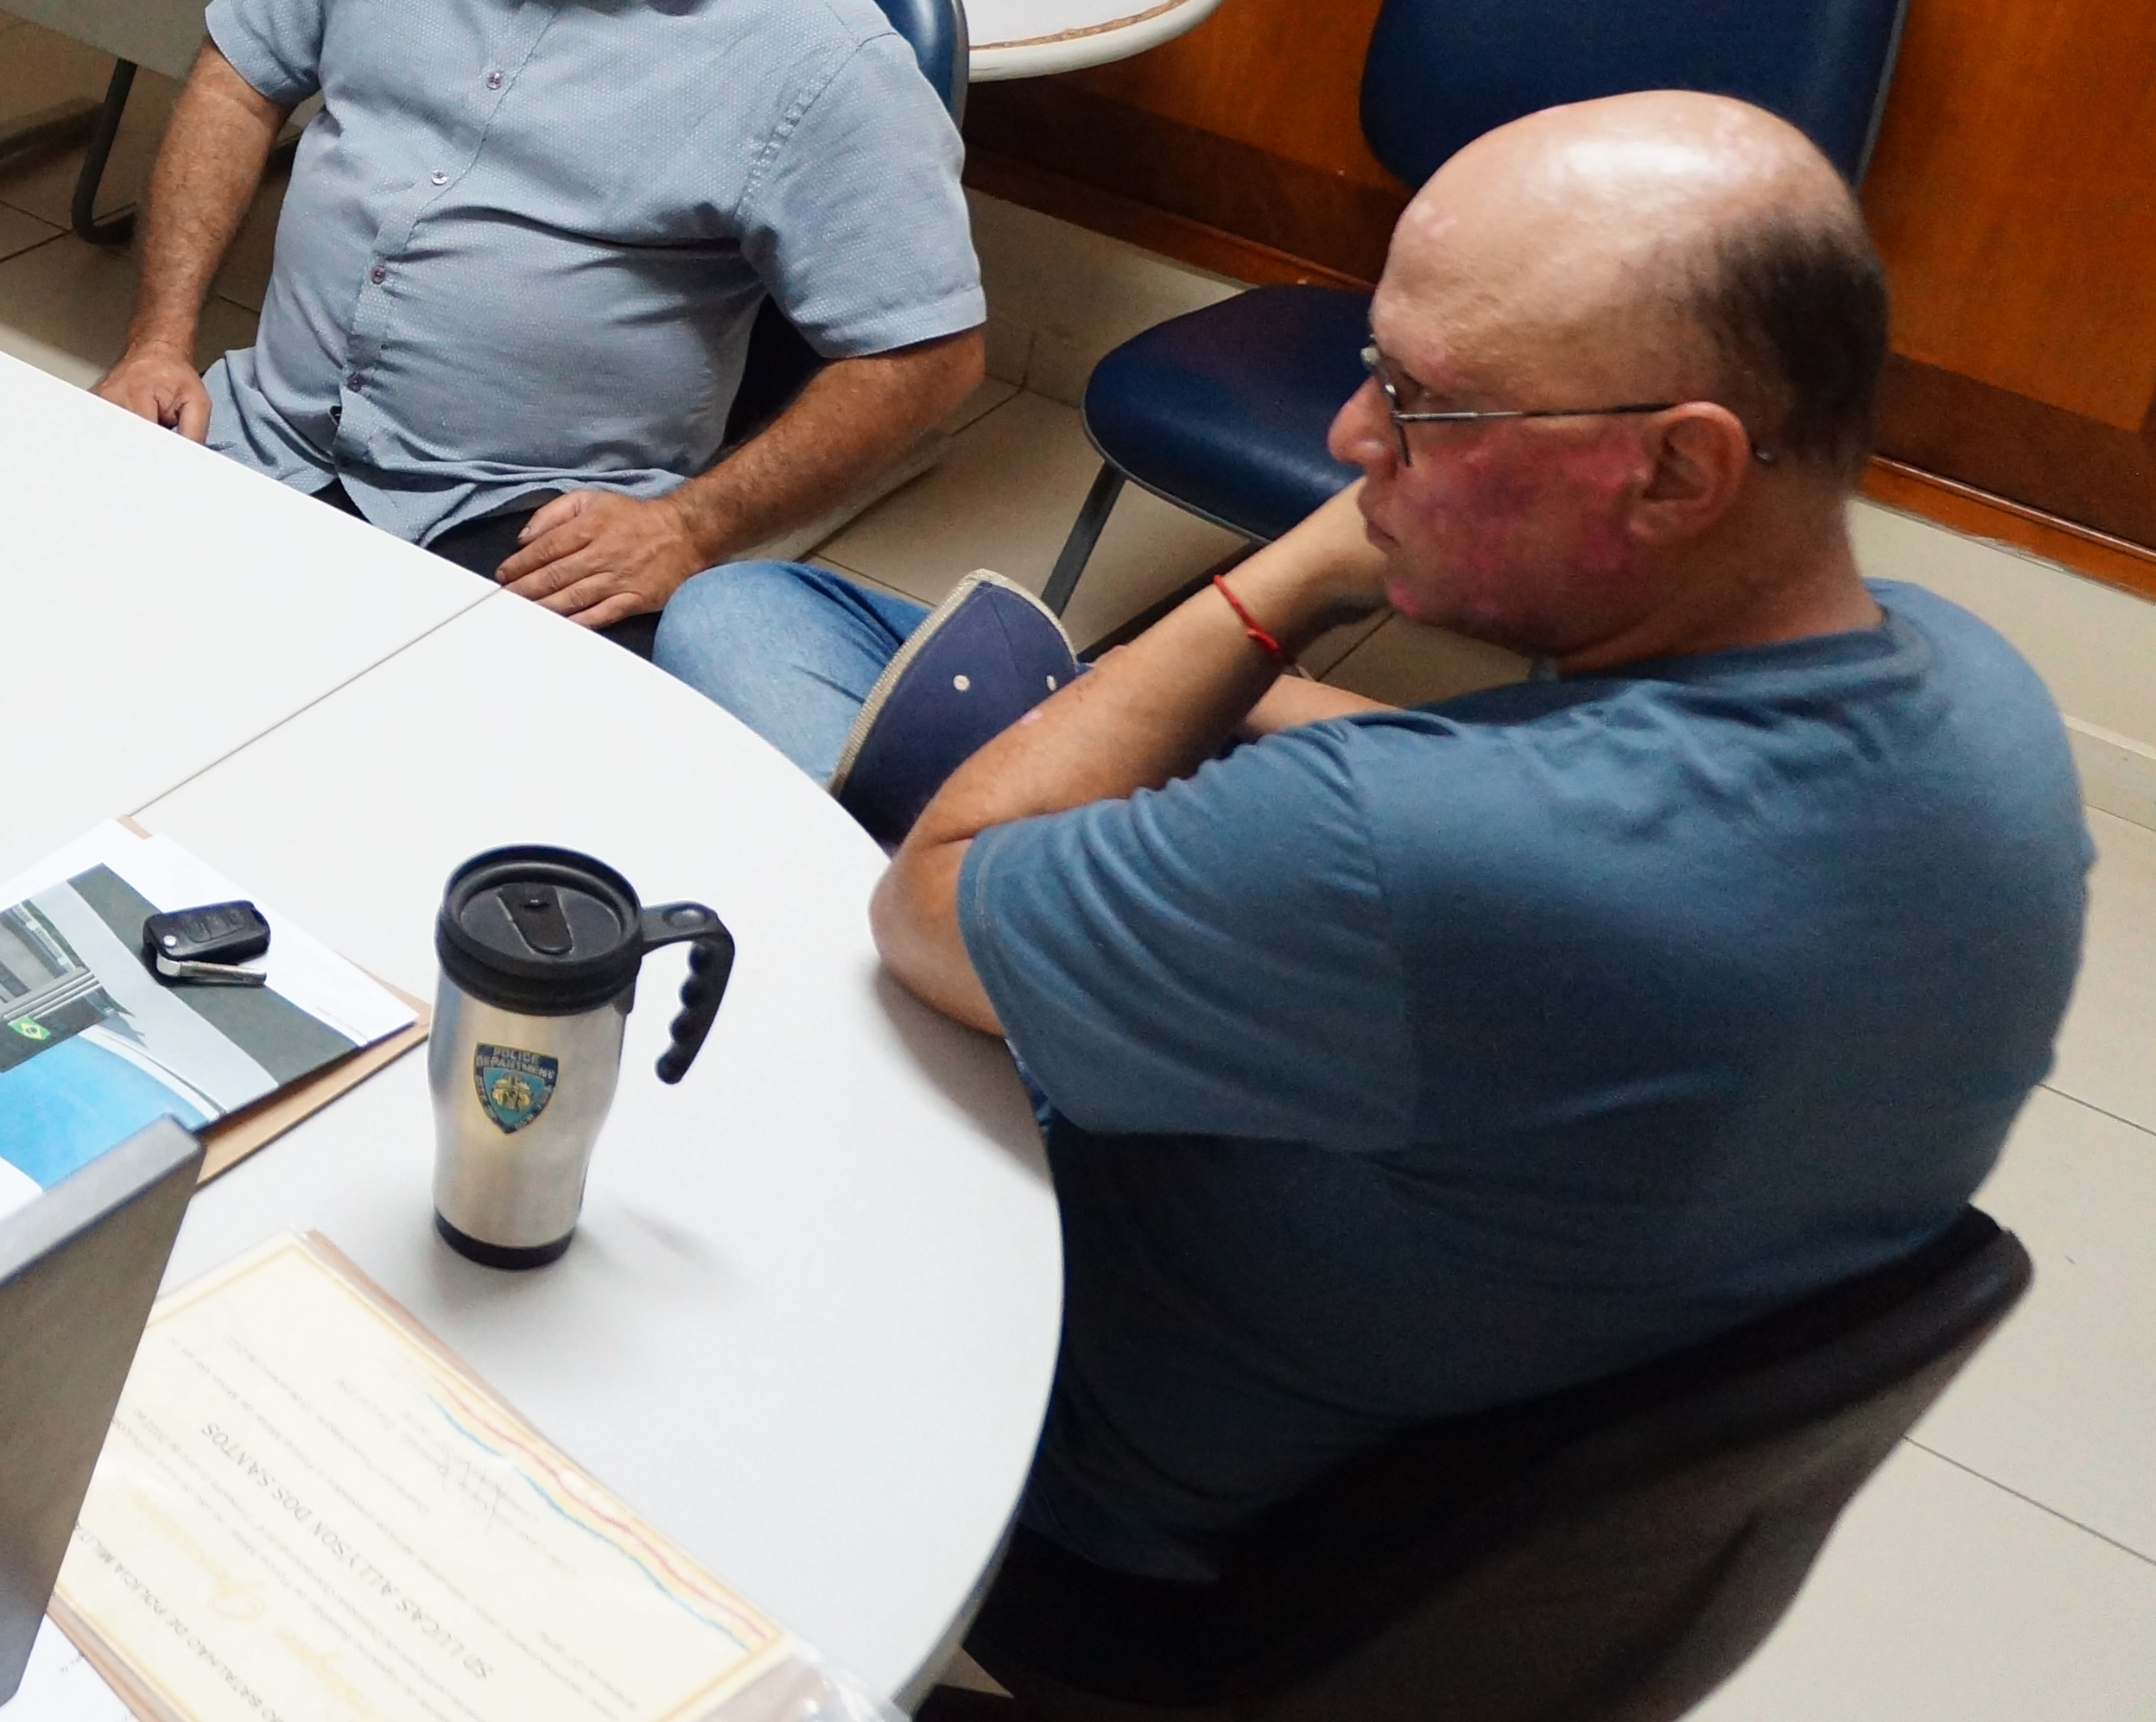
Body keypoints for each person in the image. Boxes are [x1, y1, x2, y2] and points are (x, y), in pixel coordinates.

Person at [830, 92, 2089, 1661]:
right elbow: (1518, 796)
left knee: (775, 667)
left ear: (1675, 472)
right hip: (1463, 1393)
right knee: (837, 650)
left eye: (1426, 405)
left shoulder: (1393, 850)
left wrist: (1292, 572)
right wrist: (1226, 722)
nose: (1355, 441)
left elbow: (931, 900)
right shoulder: (1987, 706)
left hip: (1080, 1495)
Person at [88, 0, 986, 655]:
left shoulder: (817, 53)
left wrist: (692, 528)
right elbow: (241, 76)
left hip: (523, 535)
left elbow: (928, 355)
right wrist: (157, 343)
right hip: (263, 434)